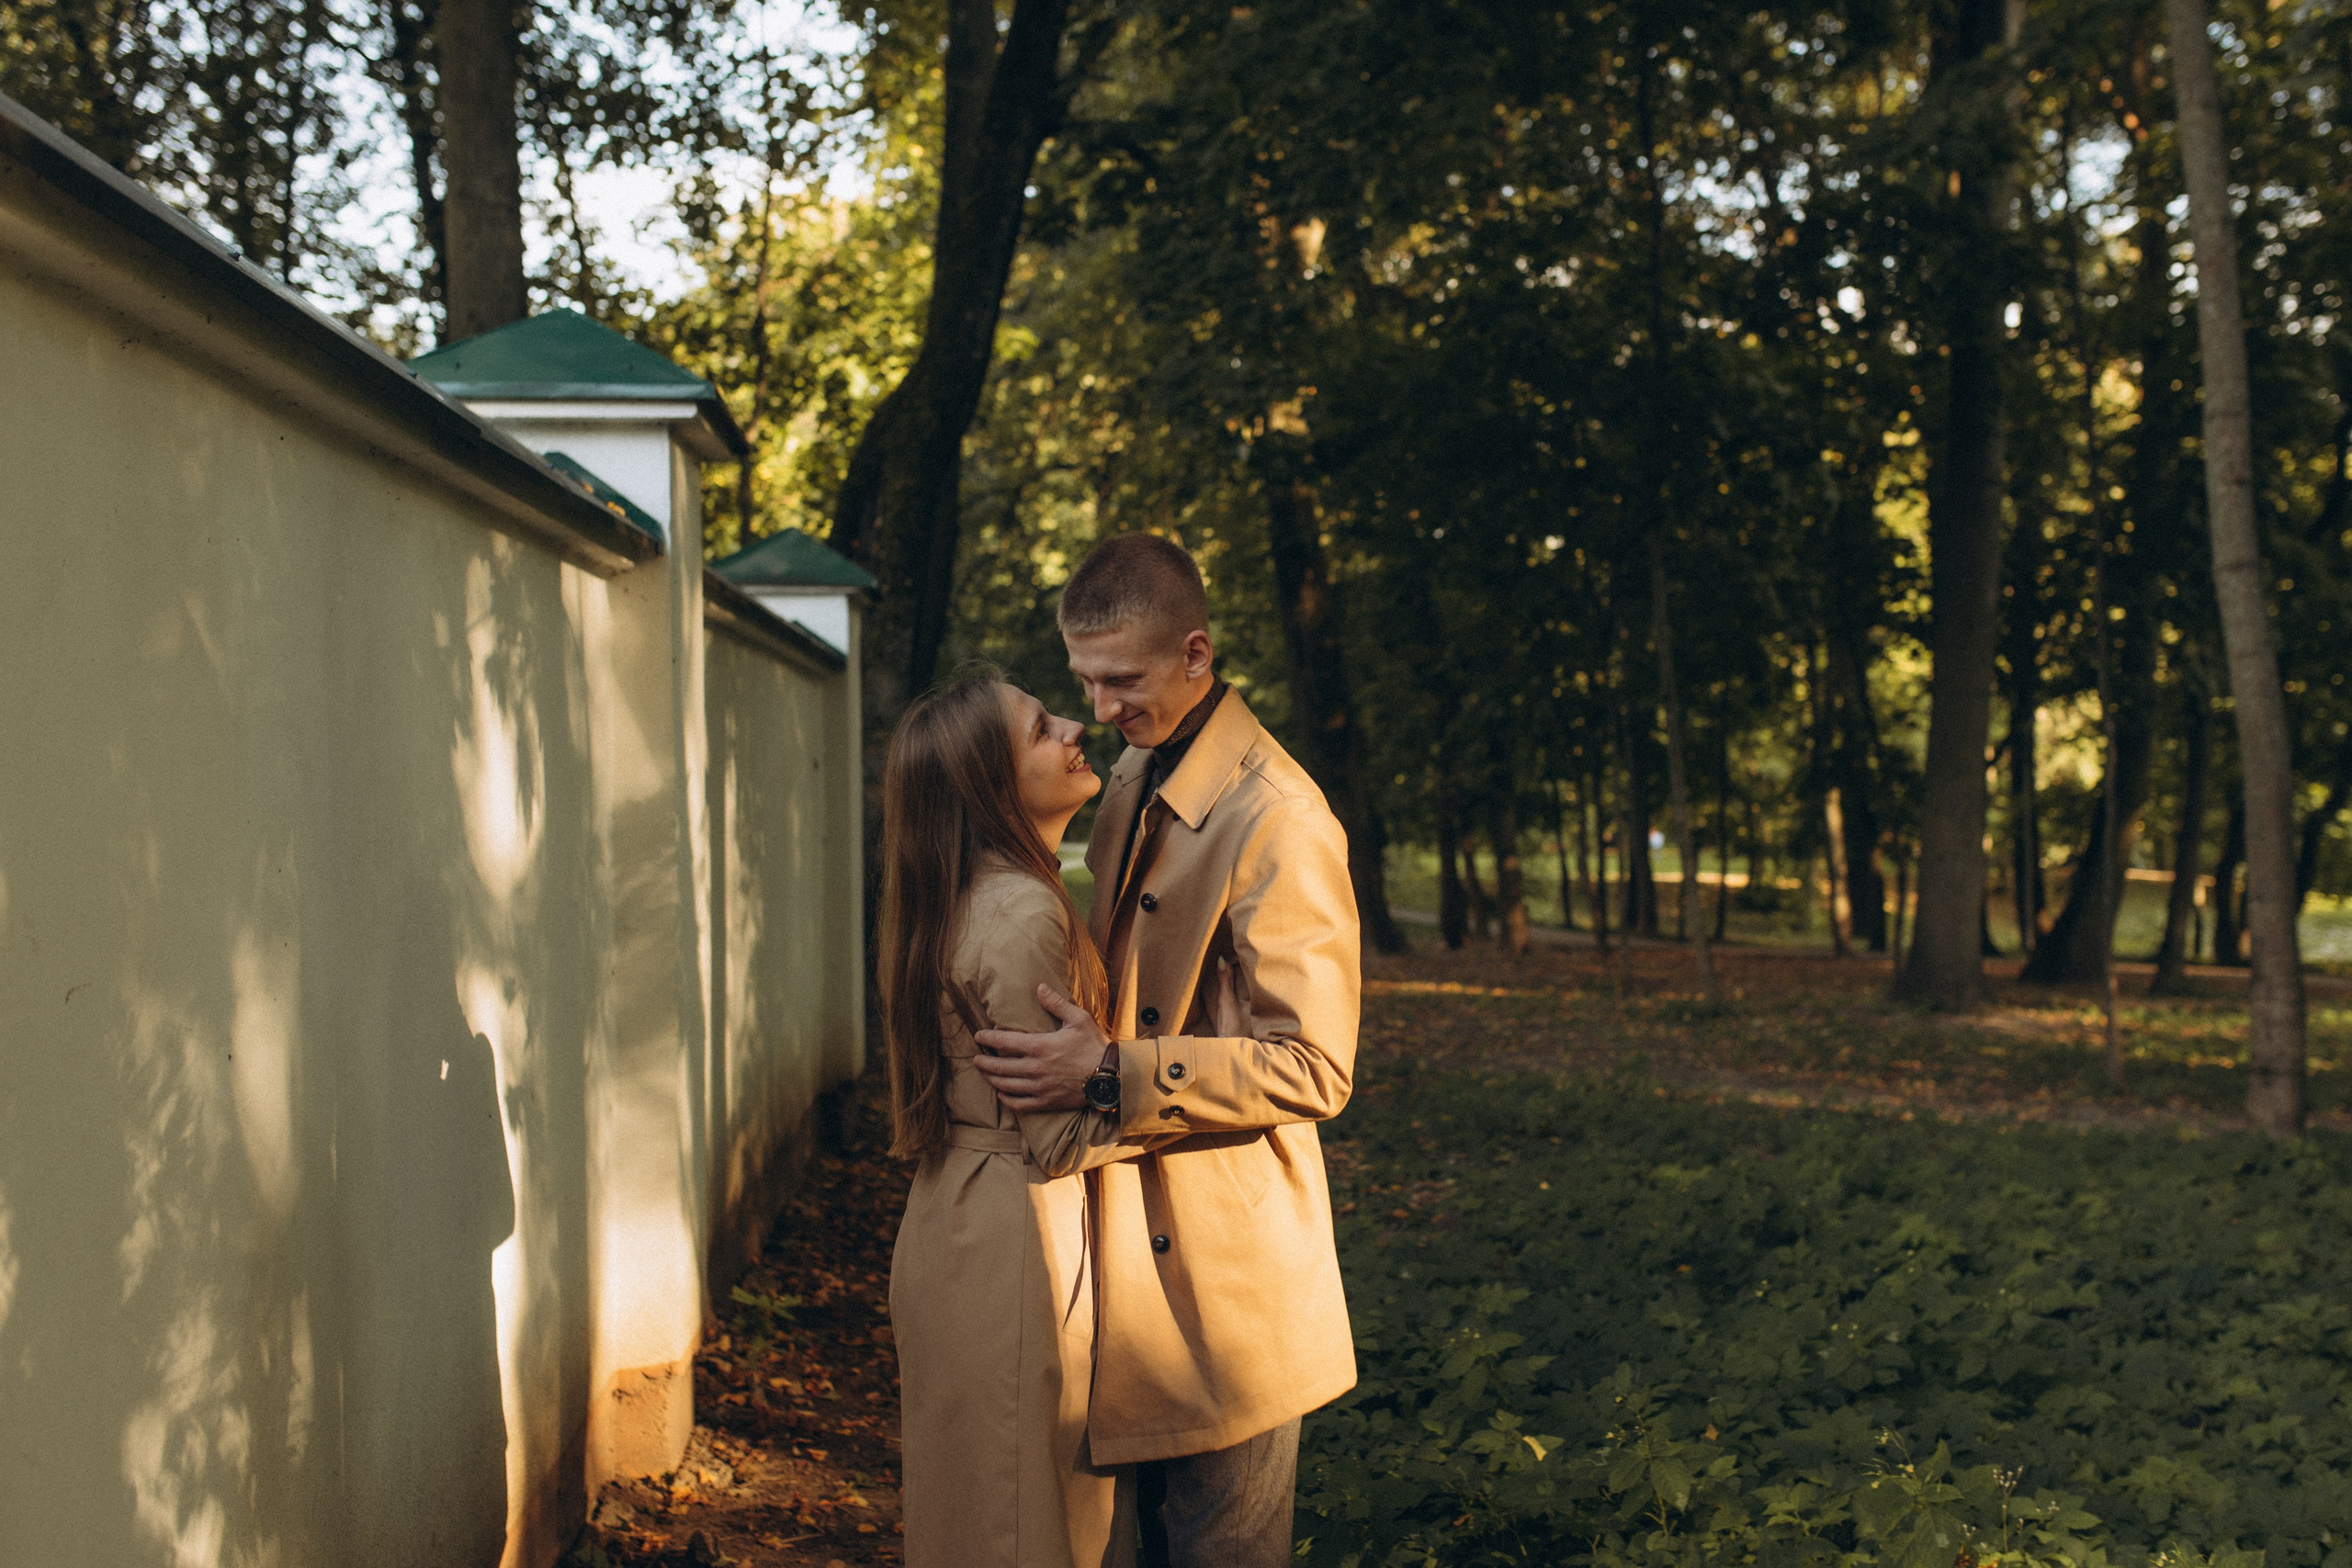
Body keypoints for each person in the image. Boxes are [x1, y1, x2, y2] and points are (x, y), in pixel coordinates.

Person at [973, 533, 1362, 1568]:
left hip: (1228, 1285)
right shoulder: (1134, 771)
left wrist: (1109, 1072)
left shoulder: (1281, 816)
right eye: (1084, 682)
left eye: (1122, 681)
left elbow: (1317, 1064)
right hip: (1116, 1267)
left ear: (1195, 654)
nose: (1099, 708)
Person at [880, 668, 1176, 1568]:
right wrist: (1181, 1091)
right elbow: (1062, 1136)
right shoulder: (1018, 916)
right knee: (1025, 1529)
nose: (1076, 726)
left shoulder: (980, 894)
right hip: (1014, 1247)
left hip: (965, 1222)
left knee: (985, 1521)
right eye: (1043, 729)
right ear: (991, 784)